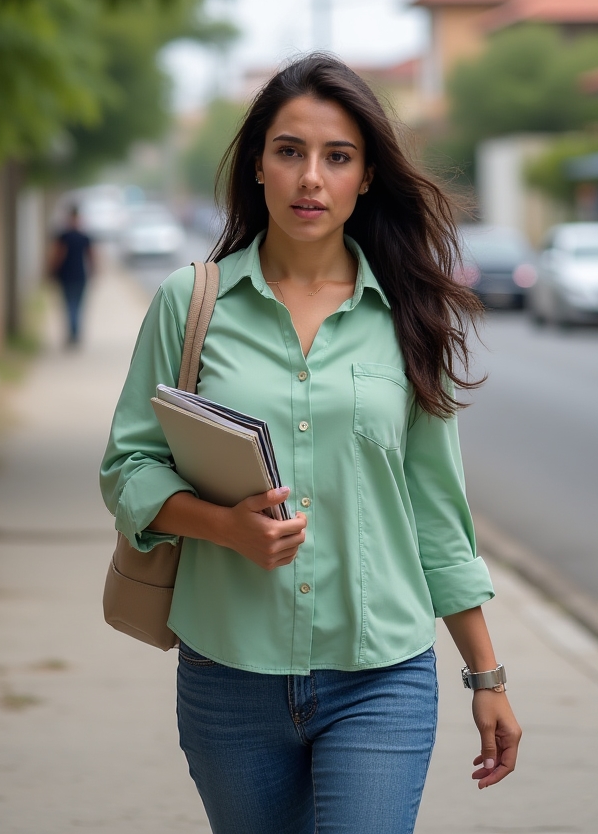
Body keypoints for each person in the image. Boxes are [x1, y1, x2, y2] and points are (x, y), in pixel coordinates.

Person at [100, 55, 520, 834]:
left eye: (338, 156)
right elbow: (128, 469)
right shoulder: (190, 304)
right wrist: (224, 526)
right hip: (229, 674)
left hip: (381, 678)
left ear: (366, 177)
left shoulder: (408, 314)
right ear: (258, 164)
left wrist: (485, 674)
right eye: (290, 151)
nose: (311, 178)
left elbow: (435, 509)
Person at [50, 205, 94, 345]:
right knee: (77, 306)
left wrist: (51, 270)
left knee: (70, 305)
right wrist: (94, 270)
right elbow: (91, 256)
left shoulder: (64, 236)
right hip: (79, 275)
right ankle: (75, 332)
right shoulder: (83, 236)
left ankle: (72, 332)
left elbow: (58, 255)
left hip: (67, 276)